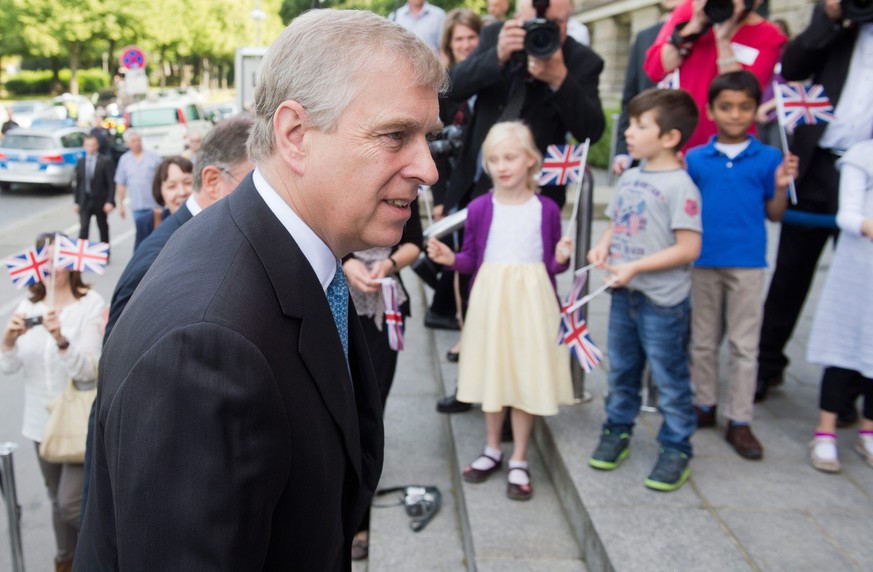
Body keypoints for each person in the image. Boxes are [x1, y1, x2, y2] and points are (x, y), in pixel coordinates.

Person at [75, 10, 444, 570]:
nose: (428, 168)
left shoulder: (286, 258)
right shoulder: (206, 346)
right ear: (296, 135)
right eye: (396, 135)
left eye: (429, 138)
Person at [78, 116, 255, 518]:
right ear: (213, 181)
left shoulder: (211, 234)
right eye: (258, 182)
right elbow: (120, 391)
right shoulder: (160, 258)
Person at [427, 121, 574, 501]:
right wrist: (449, 259)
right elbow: (472, 259)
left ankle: (520, 457)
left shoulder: (547, 209)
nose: (501, 166)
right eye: (493, 159)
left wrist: (560, 258)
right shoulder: (479, 207)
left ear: (530, 160)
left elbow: (551, 264)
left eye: (509, 157)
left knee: (524, 374)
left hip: (532, 303)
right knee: (494, 373)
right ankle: (493, 447)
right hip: (490, 302)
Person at [756, 0, 872, 410]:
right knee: (790, 272)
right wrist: (832, 15)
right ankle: (765, 365)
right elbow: (793, 66)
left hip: (869, 172)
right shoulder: (839, 27)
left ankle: (850, 387)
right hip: (819, 165)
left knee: (863, 284)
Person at [586, 88, 701, 492]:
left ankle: (676, 445)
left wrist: (634, 266)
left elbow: (689, 247)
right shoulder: (631, 176)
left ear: (670, 137)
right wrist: (604, 246)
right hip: (625, 295)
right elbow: (617, 223)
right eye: (631, 123)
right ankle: (617, 430)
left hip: (663, 301)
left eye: (640, 125)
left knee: (669, 377)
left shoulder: (681, 186)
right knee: (622, 370)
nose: (629, 132)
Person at [685, 71, 798, 460]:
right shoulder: (696, 158)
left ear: (756, 111)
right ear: (710, 110)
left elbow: (775, 214)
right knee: (702, 340)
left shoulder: (768, 158)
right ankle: (704, 403)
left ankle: (740, 418)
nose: (735, 115)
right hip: (703, 259)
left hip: (748, 261)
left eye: (745, 107)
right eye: (726, 107)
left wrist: (781, 184)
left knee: (744, 344)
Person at [1, 232, 104, 572]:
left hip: (75, 419)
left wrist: (61, 339)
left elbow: (90, 369)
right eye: (44, 257)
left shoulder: (90, 304)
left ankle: (102, 555)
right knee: (54, 500)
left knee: (70, 502)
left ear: (73, 261)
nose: (51, 265)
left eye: (58, 256)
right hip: (38, 423)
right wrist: (8, 341)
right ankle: (65, 560)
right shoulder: (27, 306)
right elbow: (9, 368)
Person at [441, 0, 605, 213]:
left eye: (555, 23)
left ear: (568, 20)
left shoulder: (582, 60)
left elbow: (591, 130)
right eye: (532, 23)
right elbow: (451, 87)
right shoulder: (494, 36)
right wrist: (497, 56)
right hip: (476, 184)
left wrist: (560, 79)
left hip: (536, 195)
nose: (543, 30)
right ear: (516, 19)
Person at [344, 200, 423, 560]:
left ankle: (360, 519)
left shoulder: (406, 183)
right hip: (338, 298)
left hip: (385, 304)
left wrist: (386, 265)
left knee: (371, 407)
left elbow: (414, 242)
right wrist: (347, 263)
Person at [806, 139, 873, 473]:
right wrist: (867, 226)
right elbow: (846, 213)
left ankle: (868, 429)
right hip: (858, 274)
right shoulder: (862, 156)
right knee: (842, 347)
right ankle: (825, 431)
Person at [644, 0, 786, 150]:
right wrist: (693, 26)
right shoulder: (691, 10)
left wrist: (723, 40)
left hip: (729, 145)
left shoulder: (769, 36)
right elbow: (655, 69)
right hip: (683, 137)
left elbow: (741, 94)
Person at [428, 8, 482, 373]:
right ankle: (463, 325)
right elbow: (437, 150)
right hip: (454, 187)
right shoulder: (448, 88)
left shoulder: (491, 80)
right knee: (461, 258)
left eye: (471, 38)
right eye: (458, 39)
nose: (465, 45)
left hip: (481, 183)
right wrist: (440, 199)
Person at [613, 0, 684, 176]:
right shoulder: (645, 37)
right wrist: (622, 150)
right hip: (649, 157)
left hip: (692, 148)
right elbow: (630, 99)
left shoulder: (712, 35)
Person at [113, 130, 162, 251]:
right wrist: (121, 205)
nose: (136, 143)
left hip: (154, 204)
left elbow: (163, 179)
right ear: (128, 144)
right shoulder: (124, 160)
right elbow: (121, 183)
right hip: (137, 206)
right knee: (142, 235)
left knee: (157, 235)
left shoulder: (153, 157)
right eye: (133, 141)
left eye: (138, 140)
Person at [73, 135, 115, 248]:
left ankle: (105, 253)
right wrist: (76, 202)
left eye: (92, 145)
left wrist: (110, 201)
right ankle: (81, 255)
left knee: (102, 227)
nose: (90, 148)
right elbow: (78, 184)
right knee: (83, 228)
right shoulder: (81, 162)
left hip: (100, 201)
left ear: (97, 146)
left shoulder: (105, 161)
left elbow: (111, 183)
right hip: (85, 200)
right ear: (84, 146)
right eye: (87, 145)